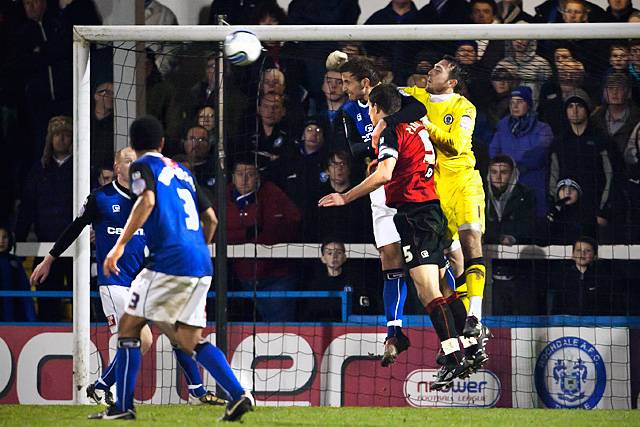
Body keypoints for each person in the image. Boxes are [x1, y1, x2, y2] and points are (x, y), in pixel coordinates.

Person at [30, 147, 224, 407]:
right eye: (128, 161)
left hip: (146, 278)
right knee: (143, 339)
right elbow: (74, 228)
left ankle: (196, 392)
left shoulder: (150, 199)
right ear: (117, 166)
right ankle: (102, 387)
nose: (134, 165)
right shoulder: (100, 199)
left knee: (179, 329)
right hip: (115, 281)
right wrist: (50, 259)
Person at [90, 116, 252, 421]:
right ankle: (238, 393)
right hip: (201, 262)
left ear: (135, 146)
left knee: (128, 328)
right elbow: (212, 220)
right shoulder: (183, 172)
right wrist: (194, 251)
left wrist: (119, 245)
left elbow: (147, 201)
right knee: (189, 339)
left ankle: (123, 407)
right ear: (163, 143)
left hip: (168, 262)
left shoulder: (142, 166)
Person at [319, 83, 467, 390]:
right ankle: (468, 343)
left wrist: (345, 197)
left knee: (427, 290)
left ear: (374, 107)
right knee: (440, 282)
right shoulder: (416, 124)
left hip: (415, 215)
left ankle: (453, 355)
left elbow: (385, 174)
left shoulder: (390, 131)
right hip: (432, 207)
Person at [337, 55, 427, 367]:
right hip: (378, 190)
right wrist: (376, 140)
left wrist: (386, 124)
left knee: (430, 266)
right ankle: (394, 331)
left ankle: (458, 328)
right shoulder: (349, 111)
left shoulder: (391, 97)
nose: (342, 87)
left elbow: (419, 109)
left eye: (347, 81)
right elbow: (355, 149)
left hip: (412, 190)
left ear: (364, 82)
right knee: (390, 258)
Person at [403, 56, 490, 374]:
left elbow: (456, 144)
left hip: (463, 183)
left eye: (437, 70)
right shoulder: (418, 96)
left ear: (451, 81)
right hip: (433, 191)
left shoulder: (464, 107)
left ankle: (476, 318)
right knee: (445, 268)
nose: (430, 72)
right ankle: (466, 344)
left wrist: (425, 123)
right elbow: (385, 95)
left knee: (471, 245)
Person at [227, 156, 301, 322]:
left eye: (250, 174)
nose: (244, 179)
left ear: (258, 177)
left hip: (276, 277)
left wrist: (258, 236)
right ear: (233, 176)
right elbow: (218, 232)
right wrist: (246, 234)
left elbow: (289, 226)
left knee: (280, 333)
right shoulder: (223, 196)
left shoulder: (272, 193)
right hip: (240, 278)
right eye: (240, 174)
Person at [15, 116, 74, 321]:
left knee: (82, 298)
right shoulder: (38, 170)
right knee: (47, 298)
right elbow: (27, 208)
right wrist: (18, 239)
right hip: (46, 246)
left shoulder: (81, 169)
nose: (62, 139)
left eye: (67, 134)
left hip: (77, 246)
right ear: (49, 139)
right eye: (57, 134)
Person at [549, 90, 613, 234]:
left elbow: (612, 177)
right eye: (570, 106)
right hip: (565, 216)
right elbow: (552, 176)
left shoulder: (602, 141)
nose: (575, 110)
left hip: (594, 215)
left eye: (579, 106)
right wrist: (554, 205)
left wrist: (604, 211)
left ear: (587, 109)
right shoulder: (559, 143)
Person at [489, 86, 554, 218]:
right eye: (512, 102)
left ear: (529, 104)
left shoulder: (543, 129)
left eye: (520, 101)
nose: (515, 105)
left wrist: (514, 166)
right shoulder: (502, 127)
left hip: (533, 185)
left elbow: (539, 154)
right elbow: (493, 151)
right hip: (507, 186)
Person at [485, 155, 537, 245]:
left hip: (517, 251)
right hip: (487, 250)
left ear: (513, 174)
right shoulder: (481, 195)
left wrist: (514, 238)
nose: (498, 177)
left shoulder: (526, 195)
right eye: (494, 172)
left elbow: (529, 226)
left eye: (504, 172)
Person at [0, 226, 37, 322]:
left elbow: (24, 290)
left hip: (13, 313)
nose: (1, 241)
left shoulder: (15, 261)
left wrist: (32, 321)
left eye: (4, 237)